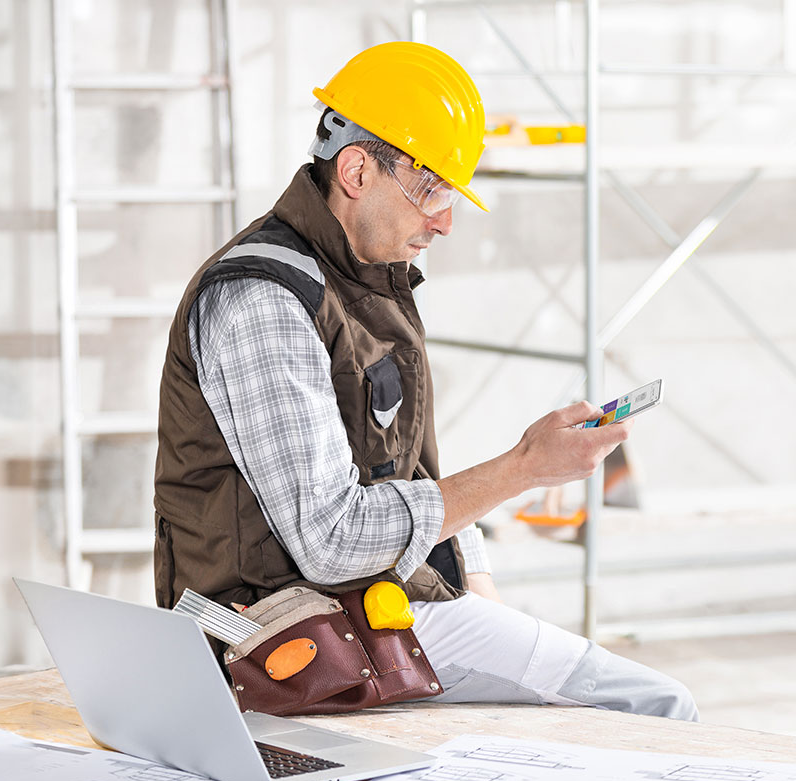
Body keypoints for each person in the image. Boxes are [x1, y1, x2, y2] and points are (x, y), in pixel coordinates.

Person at [150, 41, 696, 720]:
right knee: (655, 705)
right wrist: (526, 468)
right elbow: (330, 540)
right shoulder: (264, 301)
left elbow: (402, 470)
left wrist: (474, 578)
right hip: (285, 630)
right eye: (432, 189)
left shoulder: (362, 281)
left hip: (371, 603)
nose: (444, 221)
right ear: (355, 170)